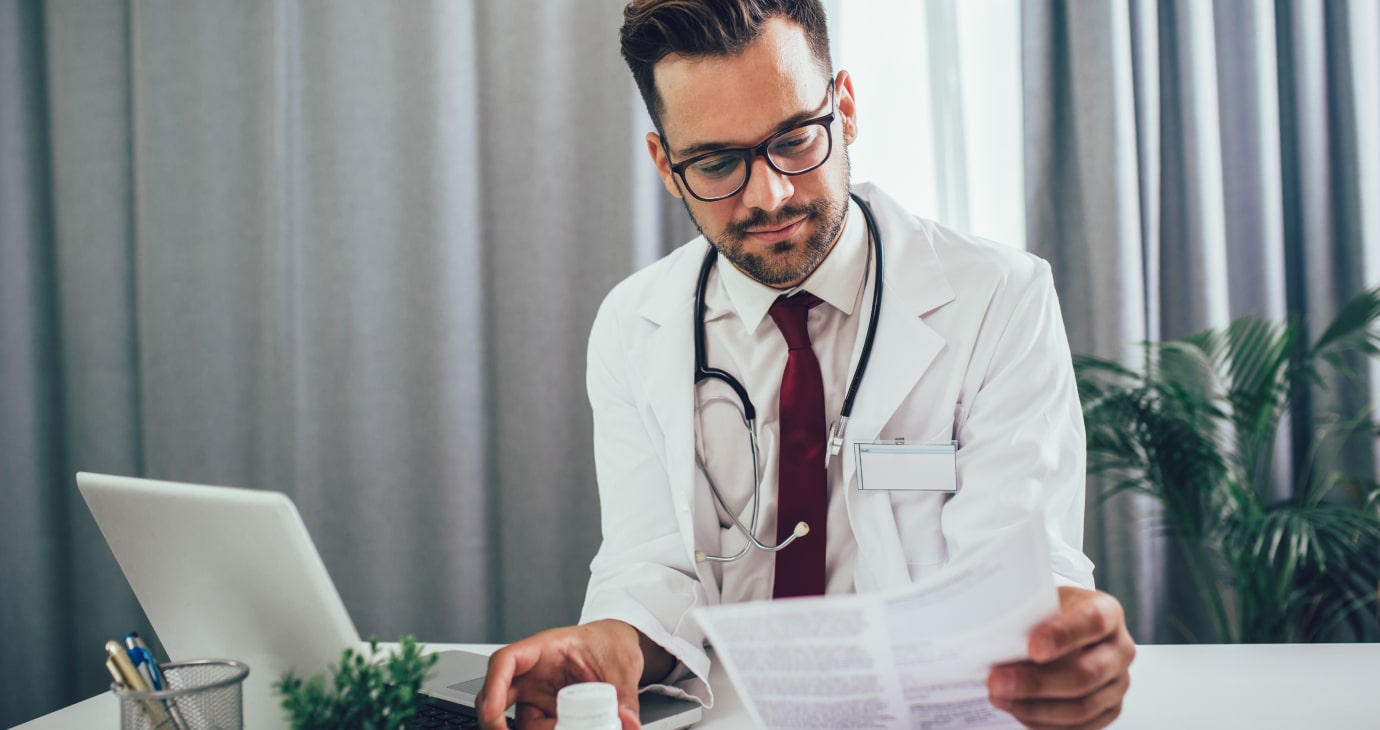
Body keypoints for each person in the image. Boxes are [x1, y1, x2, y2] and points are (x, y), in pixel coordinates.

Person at [478, 1, 1135, 728]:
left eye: (794, 139)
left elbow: (1017, 575)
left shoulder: (999, 299)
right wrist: (615, 641)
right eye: (718, 162)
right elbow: (651, 564)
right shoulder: (635, 324)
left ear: (844, 109)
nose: (771, 195)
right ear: (667, 165)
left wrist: (1063, 640)